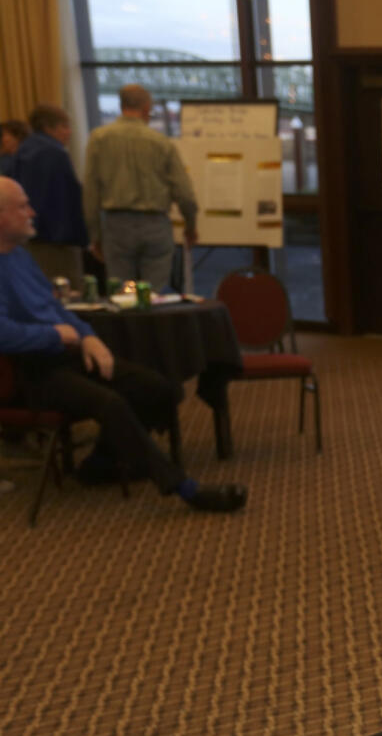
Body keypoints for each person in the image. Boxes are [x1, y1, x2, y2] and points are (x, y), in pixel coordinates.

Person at [0, 177, 245, 513]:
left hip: (66, 354)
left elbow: (57, 310)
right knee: (111, 403)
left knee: (161, 387)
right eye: (22, 206)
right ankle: (185, 489)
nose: (32, 212)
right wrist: (56, 335)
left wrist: (88, 336)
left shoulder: (21, 258)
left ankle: (103, 463)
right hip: (32, 372)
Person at [83, 84, 197, 292]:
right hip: (155, 225)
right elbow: (184, 192)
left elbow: (90, 192)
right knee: (153, 294)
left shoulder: (98, 139)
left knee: (121, 294)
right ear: (146, 108)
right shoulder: (161, 142)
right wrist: (191, 225)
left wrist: (95, 235)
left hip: (116, 226)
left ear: (121, 105)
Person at [12, 104, 88, 290]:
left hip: (32, 237)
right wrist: (83, 237)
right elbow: (66, 200)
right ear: (49, 127)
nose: (69, 133)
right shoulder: (53, 153)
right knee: (68, 293)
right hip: (58, 239)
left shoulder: (23, 150)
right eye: (65, 126)